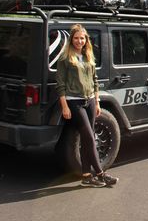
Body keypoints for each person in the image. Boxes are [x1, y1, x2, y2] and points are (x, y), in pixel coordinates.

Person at [56, 23, 119, 188]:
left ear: (86, 39)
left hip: (90, 100)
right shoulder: (65, 58)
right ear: (71, 40)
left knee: (87, 138)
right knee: (90, 137)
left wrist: (97, 101)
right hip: (74, 102)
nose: (79, 41)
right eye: (76, 38)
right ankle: (101, 174)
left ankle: (86, 176)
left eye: (82, 38)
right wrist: (64, 106)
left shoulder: (88, 56)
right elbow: (60, 84)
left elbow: (95, 80)